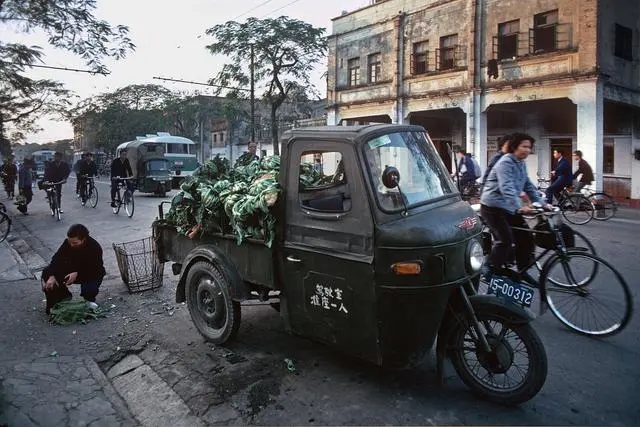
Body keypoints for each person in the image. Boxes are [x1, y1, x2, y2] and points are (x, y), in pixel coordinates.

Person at [480, 133, 553, 280]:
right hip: (492, 207)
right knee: (505, 240)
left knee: (526, 237)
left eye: (529, 147)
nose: (527, 150)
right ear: (514, 147)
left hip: (508, 207)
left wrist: (543, 203)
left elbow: (528, 185)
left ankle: (523, 270)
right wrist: (519, 207)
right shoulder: (505, 162)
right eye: (524, 146)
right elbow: (506, 188)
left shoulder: (521, 163)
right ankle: (489, 266)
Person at [41, 224, 106, 315]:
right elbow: (56, 259)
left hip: (91, 273)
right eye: (70, 242)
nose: (71, 245)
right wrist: (52, 275)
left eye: (75, 243)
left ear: (84, 239)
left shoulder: (94, 247)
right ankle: (63, 296)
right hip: (71, 271)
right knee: (47, 272)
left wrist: (77, 273)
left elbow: (93, 268)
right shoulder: (68, 243)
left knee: (88, 293)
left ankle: (89, 298)